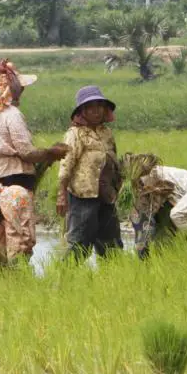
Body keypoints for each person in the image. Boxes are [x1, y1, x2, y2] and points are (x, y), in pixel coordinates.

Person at [0, 59, 68, 263]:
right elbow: (26, 152)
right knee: (20, 234)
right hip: (15, 183)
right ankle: (17, 274)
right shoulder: (12, 115)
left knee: (3, 231)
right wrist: (51, 153)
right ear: (13, 90)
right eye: (20, 88)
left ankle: (1, 272)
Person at [57, 86, 123, 260]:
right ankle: (66, 277)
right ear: (82, 111)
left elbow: (113, 160)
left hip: (106, 195)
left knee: (111, 241)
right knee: (79, 240)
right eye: (91, 107)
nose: (96, 111)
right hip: (83, 196)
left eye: (99, 106)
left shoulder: (106, 133)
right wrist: (61, 194)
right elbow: (66, 164)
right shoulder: (75, 134)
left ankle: (112, 277)